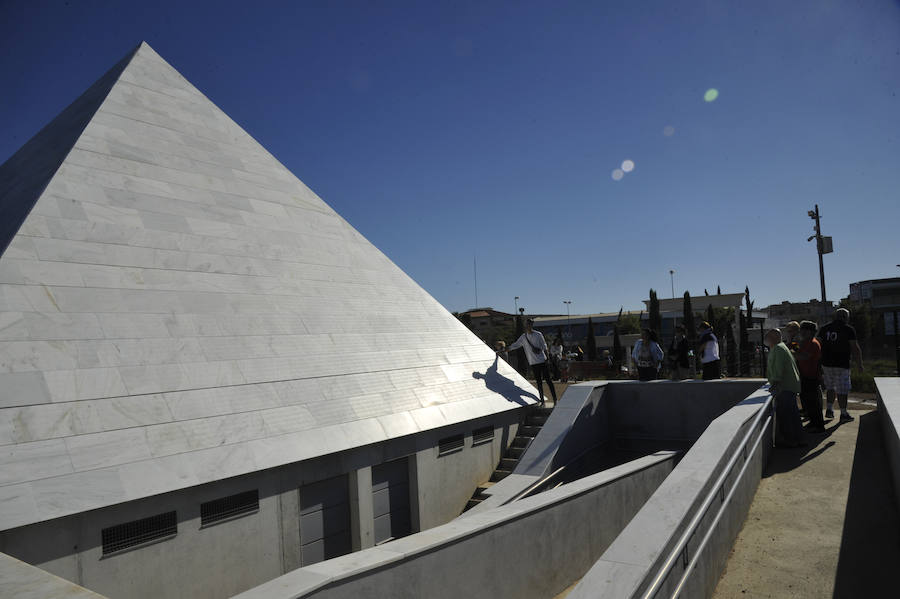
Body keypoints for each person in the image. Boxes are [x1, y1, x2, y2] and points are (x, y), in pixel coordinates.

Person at [817, 308, 864, 422]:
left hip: (826, 363)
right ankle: (843, 413)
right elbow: (854, 348)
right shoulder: (848, 329)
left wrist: (818, 362)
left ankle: (829, 409)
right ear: (845, 317)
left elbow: (818, 344)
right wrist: (859, 364)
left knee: (830, 387)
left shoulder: (825, 328)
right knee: (842, 389)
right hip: (842, 364)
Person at [765, 328, 805, 447]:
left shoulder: (778, 349)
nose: (767, 340)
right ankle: (799, 439)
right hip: (789, 386)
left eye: (768, 337)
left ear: (773, 338)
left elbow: (778, 369)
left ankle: (790, 441)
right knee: (792, 414)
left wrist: (775, 383)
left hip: (784, 387)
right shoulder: (781, 347)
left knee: (786, 415)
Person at [504, 318, 558, 406]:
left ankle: (555, 400)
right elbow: (516, 345)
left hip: (542, 360)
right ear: (526, 325)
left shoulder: (538, 334)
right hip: (533, 363)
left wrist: (547, 358)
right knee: (539, 382)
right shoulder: (523, 337)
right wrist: (507, 349)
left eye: (530, 324)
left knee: (548, 380)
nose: (528, 326)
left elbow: (544, 346)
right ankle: (542, 401)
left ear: (532, 325)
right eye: (527, 324)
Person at [795, 321, 826, 433]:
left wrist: (793, 353)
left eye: (804, 330)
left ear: (810, 331)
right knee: (808, 402)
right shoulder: (804, 342)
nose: (801, 332)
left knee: (813, 403)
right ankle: (813, 422)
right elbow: (796, 348)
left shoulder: (813, 343)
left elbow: (803, 356)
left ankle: (819, 426)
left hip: (811, 377)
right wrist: (792, 344)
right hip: (805, 376)